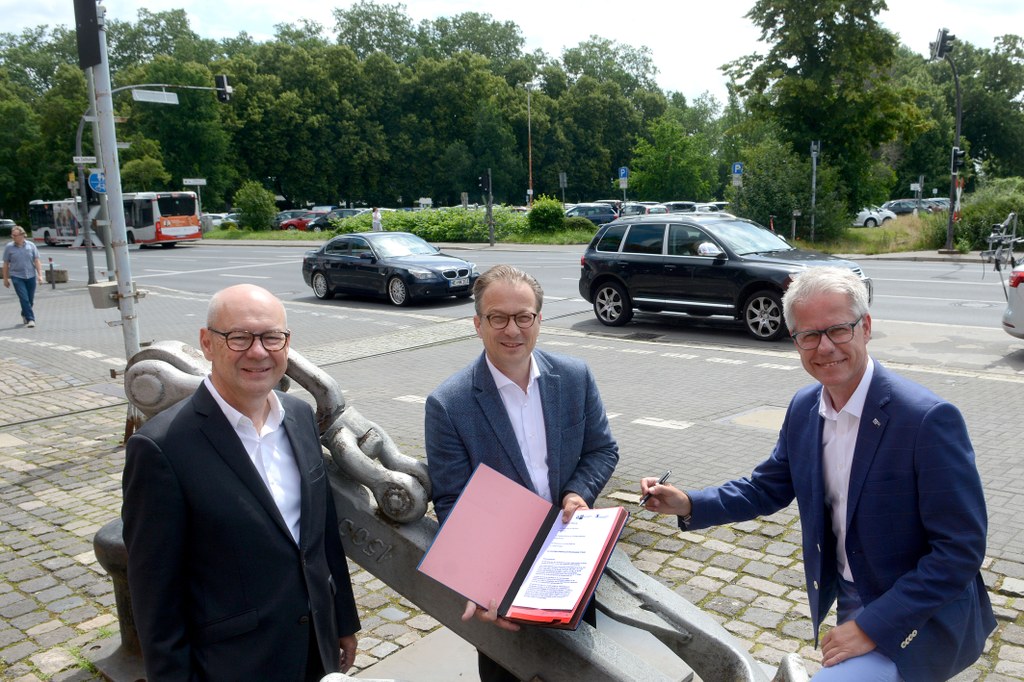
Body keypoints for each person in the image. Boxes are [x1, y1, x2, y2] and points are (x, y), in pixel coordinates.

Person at [640, 266, 995, 682]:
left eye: (838, 330)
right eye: (809, 335)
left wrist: (871, 626)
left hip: (919, 615)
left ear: (865, 326)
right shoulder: (806, 408)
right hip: (850, 597)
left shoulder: (926, 419)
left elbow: (960, 551)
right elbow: (767, 487)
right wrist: (689, 503)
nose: (824, 347)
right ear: (795, 341)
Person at [122, 284, 360, 681]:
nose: (258, 351)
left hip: (314, 650)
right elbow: (155, 597)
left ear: (287, 343)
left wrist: (342, 620)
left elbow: (320, 539)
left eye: (271, 337)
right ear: (207, 343)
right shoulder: (161, 449)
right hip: (234, 665)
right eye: (239, 337)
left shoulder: (300, 417)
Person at [425, 264, 619, 681]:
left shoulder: (574, 377)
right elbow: (451, 502)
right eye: (498, 317)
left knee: (583, 671)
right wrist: (482, 580)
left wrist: (577, 493)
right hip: (503, 578)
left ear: (539, 320)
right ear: (477, 323)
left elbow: (602, 450)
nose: (512, 329)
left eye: (523, 316)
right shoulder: (448, 405)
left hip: (570, 566)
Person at [3, 226, 45, 327]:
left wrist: (40, 275)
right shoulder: (9, 247)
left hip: (30, 275)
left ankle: (24, 313)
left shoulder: (31, 245)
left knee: (30, 299)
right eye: (12, 235)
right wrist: (5, 278)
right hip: (17, 276)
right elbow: (5, 264)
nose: (13, 237)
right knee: (24, 298)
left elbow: (36, 260)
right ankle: (31, 319)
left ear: (22, 235)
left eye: (15, 235)